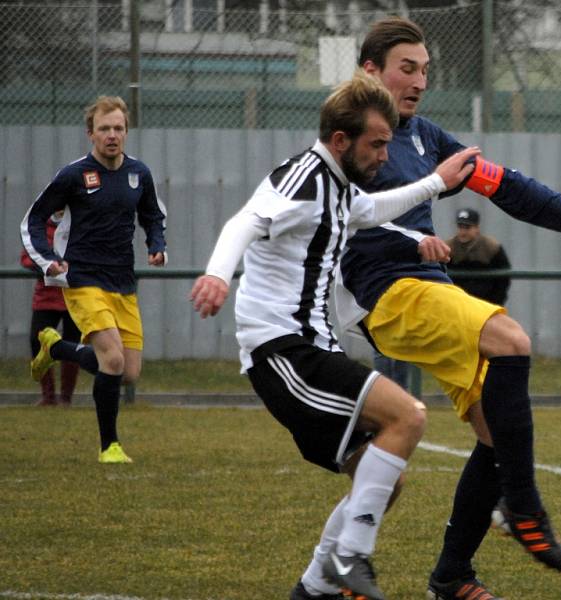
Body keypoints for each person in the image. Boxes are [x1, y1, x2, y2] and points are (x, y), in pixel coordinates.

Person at [335, 17, 561, 600]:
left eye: (425, 70)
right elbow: (350, 209)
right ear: (370, 71)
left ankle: (451, 576)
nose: (420, 80)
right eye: (407, 68)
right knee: (511, 339)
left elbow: (507, 186)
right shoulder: (349, 138)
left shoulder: (426, 137)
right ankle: (523, 507)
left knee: (495, 431)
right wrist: (409, 237)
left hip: (431, 285)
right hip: (388, 293)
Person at [189, 70, 478, 600]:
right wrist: (215, 273)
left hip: (306, 351)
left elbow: (370, 212)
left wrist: (436, 186)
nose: (384, 157)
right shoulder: (305, 176)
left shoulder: (340, 186)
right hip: (283, 352)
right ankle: (351, 555)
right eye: (376, 145)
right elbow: (244, 223)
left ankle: (313, 588)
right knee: (407, 416)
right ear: (341, 140)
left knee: (383, 481)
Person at [20, 95, 167, 464]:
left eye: (118, 128)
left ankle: (55, 348)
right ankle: (110, 446)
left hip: (123, 283)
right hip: (82, 280)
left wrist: (157, 245)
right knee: (113, 360)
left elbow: (152, 215)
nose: (112, 135)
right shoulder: (73, 175)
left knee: (128, 373)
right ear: (91, 134)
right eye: (104, 129)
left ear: (127, 132)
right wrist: (49, 261)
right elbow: (33, 220)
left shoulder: (139, 174)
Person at [20, 211, 81, 407]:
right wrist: (47, 266)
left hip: (75, 296)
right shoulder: (39, 226)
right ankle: (48, 395)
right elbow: (27, 257)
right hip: (46, 296)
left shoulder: (80, 225)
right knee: (37, 340)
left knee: (72, 344)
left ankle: (66, 397)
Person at [445, 208, 511, 306]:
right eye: (460, 227)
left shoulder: (491, 247)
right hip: (457, 304)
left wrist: (495, 304)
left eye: (467, 227)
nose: (462, 232)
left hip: (485, 304)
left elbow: (503, 279)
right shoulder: (448, 248)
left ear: (477, 228)